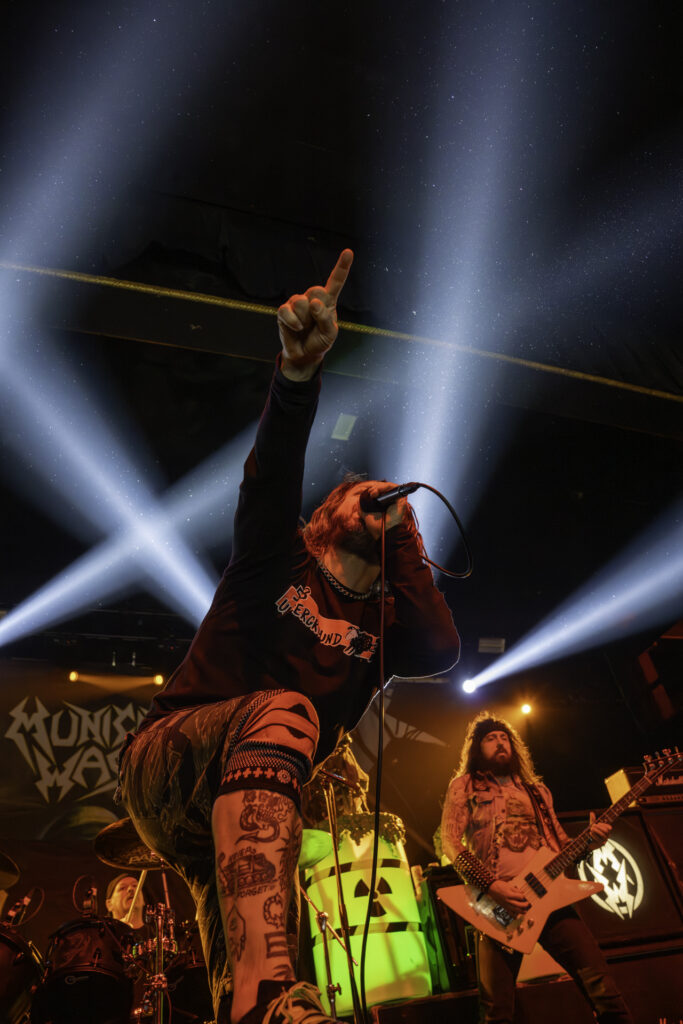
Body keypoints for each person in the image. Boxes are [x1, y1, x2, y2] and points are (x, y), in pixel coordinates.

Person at [117, 249, 461, 1024]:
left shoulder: (384, 627)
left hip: (252, 811)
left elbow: (439, 648)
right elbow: (269, 475)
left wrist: (404, 536)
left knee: (266, 941)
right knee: (287, 709)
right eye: (358, 492)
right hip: (169, 762)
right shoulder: (274, 562)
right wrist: (297, 376)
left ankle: (260, 1004)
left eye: (385, 497)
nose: (374, 496)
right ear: (322, 519)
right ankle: (268, 993)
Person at [440, 711, 632, 1023]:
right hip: (498, 905)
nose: (500, 742)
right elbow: (449, 842)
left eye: (504, 738)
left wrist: (589, 843)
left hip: (551, 899)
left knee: (603, 988)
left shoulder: (538, 792)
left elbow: (561, 846)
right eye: (490, 738)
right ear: (476, 748)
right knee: (496, 1010)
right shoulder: (465, 786)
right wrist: (491, 886)